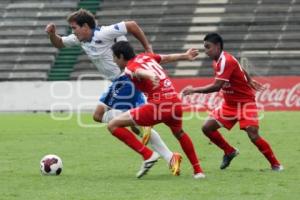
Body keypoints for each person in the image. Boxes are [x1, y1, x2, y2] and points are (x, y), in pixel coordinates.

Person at [45, 9, 182, 175]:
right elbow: (59, 43)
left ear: (86, 26)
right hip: (118, 82)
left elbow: (131, 25)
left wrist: (148, 48)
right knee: (116, 119)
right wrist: (52, 34)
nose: (73, 31)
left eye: (74, 27)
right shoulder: (80, 39)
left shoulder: (105, 32)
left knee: (106, 116)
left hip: (126, 78)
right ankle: (169, 157)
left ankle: (148, 153)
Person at [182, 33, 283, 171]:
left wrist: (194, 90)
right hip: (229, 105)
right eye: (205, 47)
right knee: (207, 128)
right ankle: (229, 151)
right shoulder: (219, 61)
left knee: (253, 134)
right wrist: (249, 79)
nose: (206, 51)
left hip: (245, 103)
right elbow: (240, 67)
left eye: (208, 47)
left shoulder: (225, 61)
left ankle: (276, 164)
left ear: (217, 46)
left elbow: (217, 86)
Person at [108, 41, 205, 179]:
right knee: (180, 134)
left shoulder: (129, 68)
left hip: (159, 106)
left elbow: (139, 71)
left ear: (121, 56)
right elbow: (166, 58)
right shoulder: (146, 57)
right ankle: (198, 171)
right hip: (175, 102)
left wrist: (149, 75)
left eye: (114, 57)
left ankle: (148, 155)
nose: (114, 61)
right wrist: (185, 55)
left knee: (113, 125)